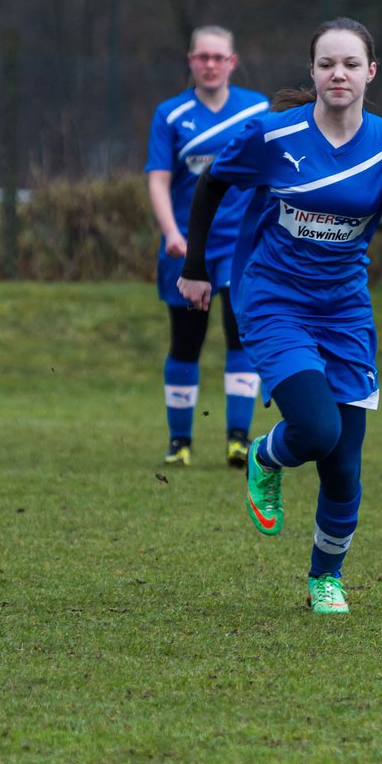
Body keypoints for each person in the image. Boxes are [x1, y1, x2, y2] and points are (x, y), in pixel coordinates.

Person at [178, 18, 382, 614]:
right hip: (273, 300)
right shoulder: (272, 135)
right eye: (325, 64)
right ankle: (266, 456)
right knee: (316, 432)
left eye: (349, 64)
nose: (337, 74)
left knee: (343, 468)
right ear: (312, 73)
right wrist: (196, 268)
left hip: (343, 312)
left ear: (370, 72)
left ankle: (325, 577)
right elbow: (212, 185)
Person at [146, 26, 270, 468]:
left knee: (242, 338)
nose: (211, 64)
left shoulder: (258, 111)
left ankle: (238, 439)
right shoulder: (171, 114)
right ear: (190, 61)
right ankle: (180, 442)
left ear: (233, 62)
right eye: (203, 57)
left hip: (244, 250)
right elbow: (158, 180)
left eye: (219, 57)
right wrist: (172, 233)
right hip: (187, 250)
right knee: (186, 342)